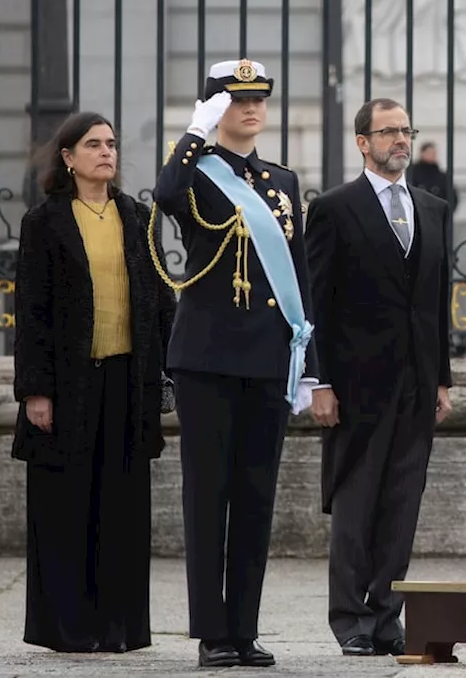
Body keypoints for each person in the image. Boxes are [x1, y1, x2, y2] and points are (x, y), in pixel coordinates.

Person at [153, 59, 321, 669]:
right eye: (235, 100)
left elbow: (299, 275)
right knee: (208, 496)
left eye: (258, 100)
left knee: (255, 496)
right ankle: (211, 632)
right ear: (215, 108)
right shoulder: (195, 173)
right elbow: (166, 196)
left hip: (267, 356)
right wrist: (194, 133)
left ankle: (244, 629)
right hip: (207, 358)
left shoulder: (281, 180)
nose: (250, 109)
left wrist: (309, 365)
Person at [12, 112, 175, 654]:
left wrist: (170, 374)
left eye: (110, 143)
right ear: (68, 157)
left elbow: (161, 303)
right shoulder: (44, 223)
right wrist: (36, 390)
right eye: (92, 144)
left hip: (128, 383)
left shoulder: (138, 217)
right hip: (68, 386)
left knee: (123, 509)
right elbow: (31, 312)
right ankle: (69, 628)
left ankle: (120, 629)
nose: (106, 152)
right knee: (65, 508)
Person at [305, 98, 454, 657]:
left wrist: (441, 378)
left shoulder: (433, 208)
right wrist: (317, 380)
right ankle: (350, 618)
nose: (400, 140)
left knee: (401, 505)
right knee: (356, 503)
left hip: (417, 384)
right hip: (355, 386)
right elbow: (316, 301)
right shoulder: (335, 209)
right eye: (388, 132)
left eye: (405, 130)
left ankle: (388, 616)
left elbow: (437, 302)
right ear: (362, 142)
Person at [407, 140, 459, 211]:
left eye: (434, 153)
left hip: (436, 215)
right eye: (429, 153)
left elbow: (452, 197)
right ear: (422, 153)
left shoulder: (441, 176)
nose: (432, 155)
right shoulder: (412, 173)